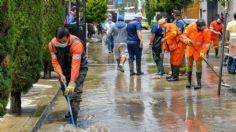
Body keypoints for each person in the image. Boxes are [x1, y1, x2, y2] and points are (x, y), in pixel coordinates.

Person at [48, 27, 88, 126]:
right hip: (64, 68)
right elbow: (55, 62)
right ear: (55, 38)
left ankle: (73, 124)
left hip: (80, 67)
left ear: (68, 37)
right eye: (59, 41)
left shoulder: (76, 44)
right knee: (66, 92)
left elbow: (76, 64)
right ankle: (72, 109)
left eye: (64, 41)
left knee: (76, 94)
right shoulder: (52, 45)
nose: (62, 43)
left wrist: (72, 82)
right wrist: (60, 74)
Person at [180, 19, 211, 89]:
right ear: (197, 26)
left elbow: (206, 43)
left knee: (198, 66)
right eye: (200, 28)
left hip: (199, 50)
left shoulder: (206, 30)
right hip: (190, 48)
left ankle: (199, 84)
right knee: (189, 65)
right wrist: (187, 41)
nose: (202, 29)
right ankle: (189, 82)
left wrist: (203, 52)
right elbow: (183, 36)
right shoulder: (191, 26)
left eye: (203, 27)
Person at [172, 10, 187, 75]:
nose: (173, 16)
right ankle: (180, 71)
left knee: (181, 56)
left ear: (175, 15)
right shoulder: (177, 21)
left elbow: (179, 32)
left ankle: (182, 71)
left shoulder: (180, 22)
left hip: (180, 41)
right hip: (178, 41)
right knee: (179, 56)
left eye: (173, 15)